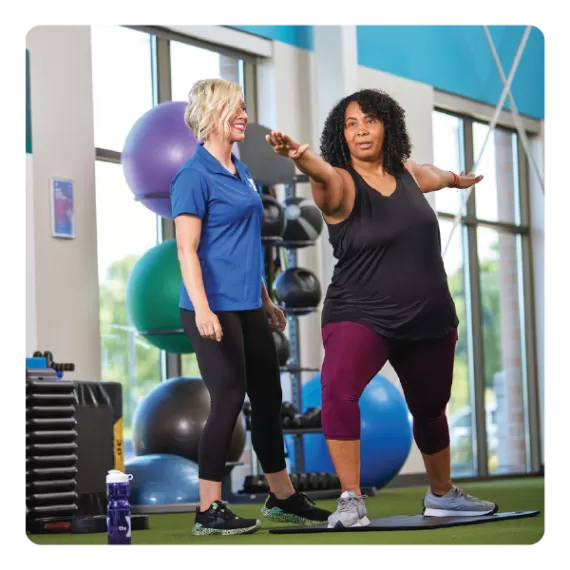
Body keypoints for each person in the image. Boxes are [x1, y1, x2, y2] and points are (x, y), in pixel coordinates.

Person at [265, 88, 498, 529]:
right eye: (350, 124)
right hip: (361, 313)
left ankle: (442, 494)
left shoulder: (405, 173)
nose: (360, 130)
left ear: (386, 125)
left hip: (428, 313)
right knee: (338, 389)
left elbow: (426, 173)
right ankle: (351, 499)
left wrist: (453, 177)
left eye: (369, 120)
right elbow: (322, 175)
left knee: (431, 409)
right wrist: (300, 157)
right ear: (342, 135)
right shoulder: (337, 182)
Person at [170, 78, 331, 536]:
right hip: (211, 306)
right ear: (212, 115)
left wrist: (265, 300)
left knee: (267, 396)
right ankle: (208, 508)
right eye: (236, 108)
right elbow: (188, 250)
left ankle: (282, 498)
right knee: (228, 396)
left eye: (243, 107)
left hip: (246, 304)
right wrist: (202, 310)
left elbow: (243, 246)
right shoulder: (193, 176)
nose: (244, 115)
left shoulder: (240, 172)